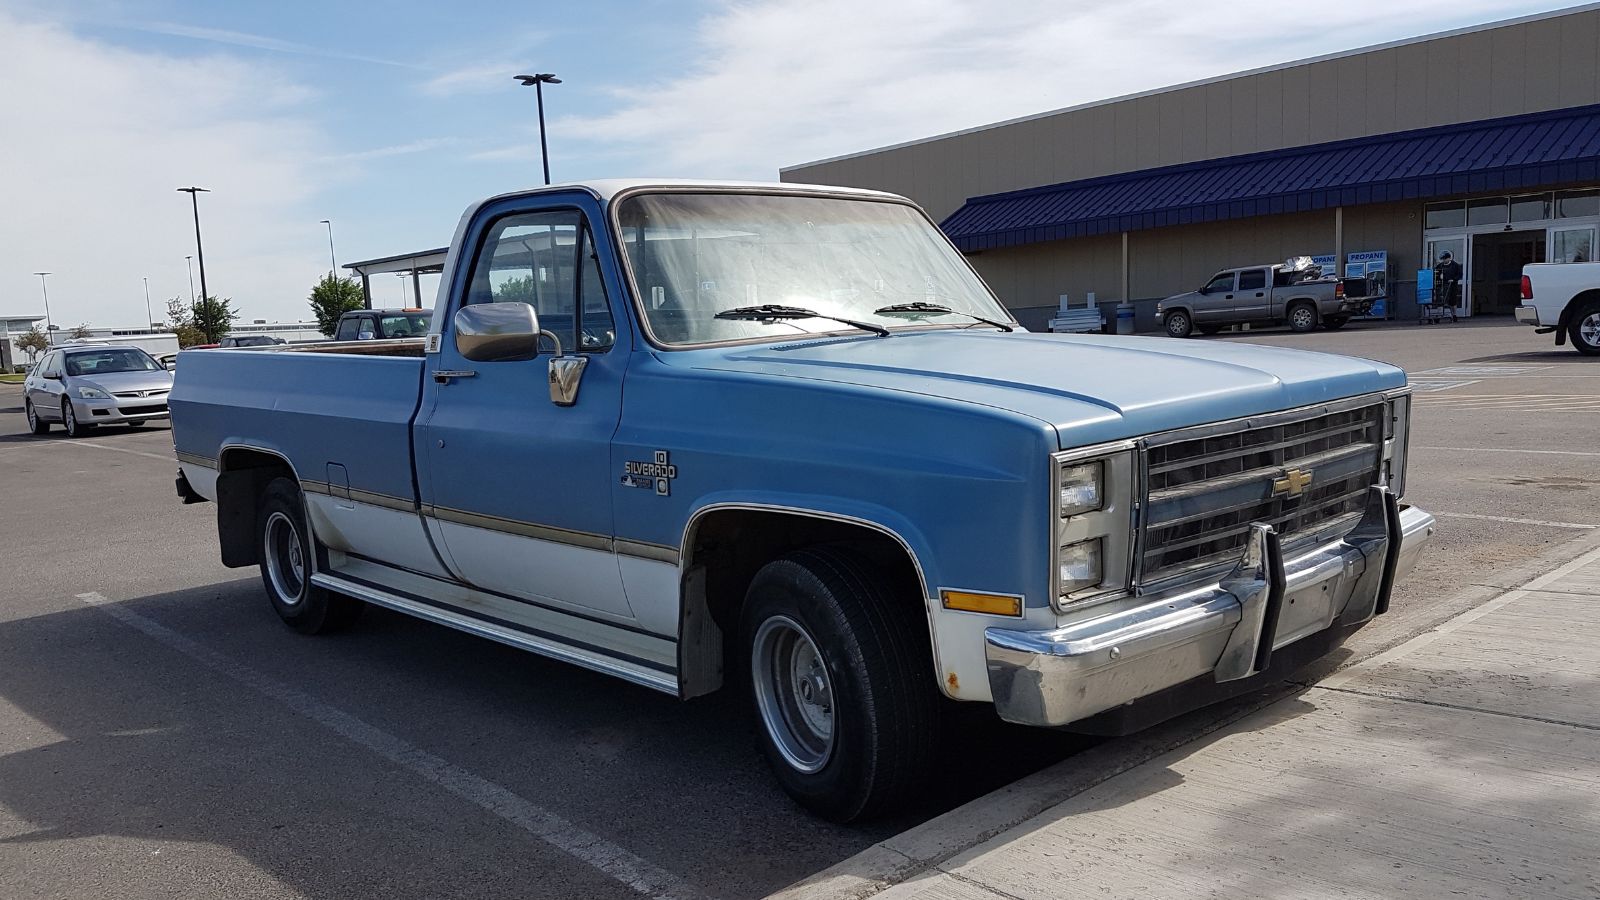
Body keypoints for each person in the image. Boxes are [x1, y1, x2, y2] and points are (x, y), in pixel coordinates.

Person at [1432, 250, 1463, 323]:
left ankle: (1454, 315)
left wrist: (1454, 279)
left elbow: (1459, 275)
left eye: (1445, 259)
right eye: (1442, 259)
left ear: (1449, 258)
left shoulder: (1455, 265)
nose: (1444, 261)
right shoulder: (1440, 266)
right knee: (1440, 300)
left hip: (1452, 285)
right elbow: (1436, 273)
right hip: (1442, 285)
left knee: (1452, 301)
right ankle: (1439, 314)